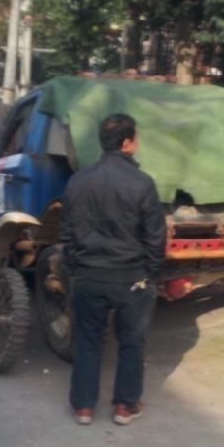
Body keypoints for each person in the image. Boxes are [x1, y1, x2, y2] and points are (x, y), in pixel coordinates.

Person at [59, 113, 167, 426]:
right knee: (132, 340)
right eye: (136, 138)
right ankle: (125, 406)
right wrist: (151, 277)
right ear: (126, 143)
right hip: (132, 282)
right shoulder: (142, 183)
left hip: (89, 278)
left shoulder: (78, 180)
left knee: (89, 340)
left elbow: (65, 233)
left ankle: (83, 408)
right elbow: (155, 238)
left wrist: (75, 268)